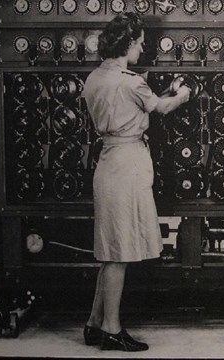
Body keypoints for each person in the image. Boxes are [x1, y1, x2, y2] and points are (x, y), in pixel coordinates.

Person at [81, 12, 191, 352]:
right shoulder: (131, 81)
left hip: (108, 163)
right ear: (128, 43)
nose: (142, 50)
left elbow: (130, 103)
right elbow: (160, 108)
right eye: (141, 43)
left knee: (110, 250)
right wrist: (182, 94)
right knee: (120, 252)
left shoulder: (95, 78)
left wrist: (159, 92)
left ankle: (94, 323)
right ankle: (112, 329)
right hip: (128, 165)